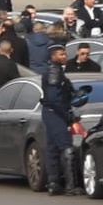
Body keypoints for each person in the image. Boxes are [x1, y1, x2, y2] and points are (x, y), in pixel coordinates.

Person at [40, 44, 80, 196]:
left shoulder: (57, 71)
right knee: (66, 147)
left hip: (51, 112)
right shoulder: (54, 72)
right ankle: (70, 185)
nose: (64, 57)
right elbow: (54, 98)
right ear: (53, 57)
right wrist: (67, 115)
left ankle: (54, 183)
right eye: (61, 55)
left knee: (52, 148)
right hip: (55, 113)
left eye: (64, 54)